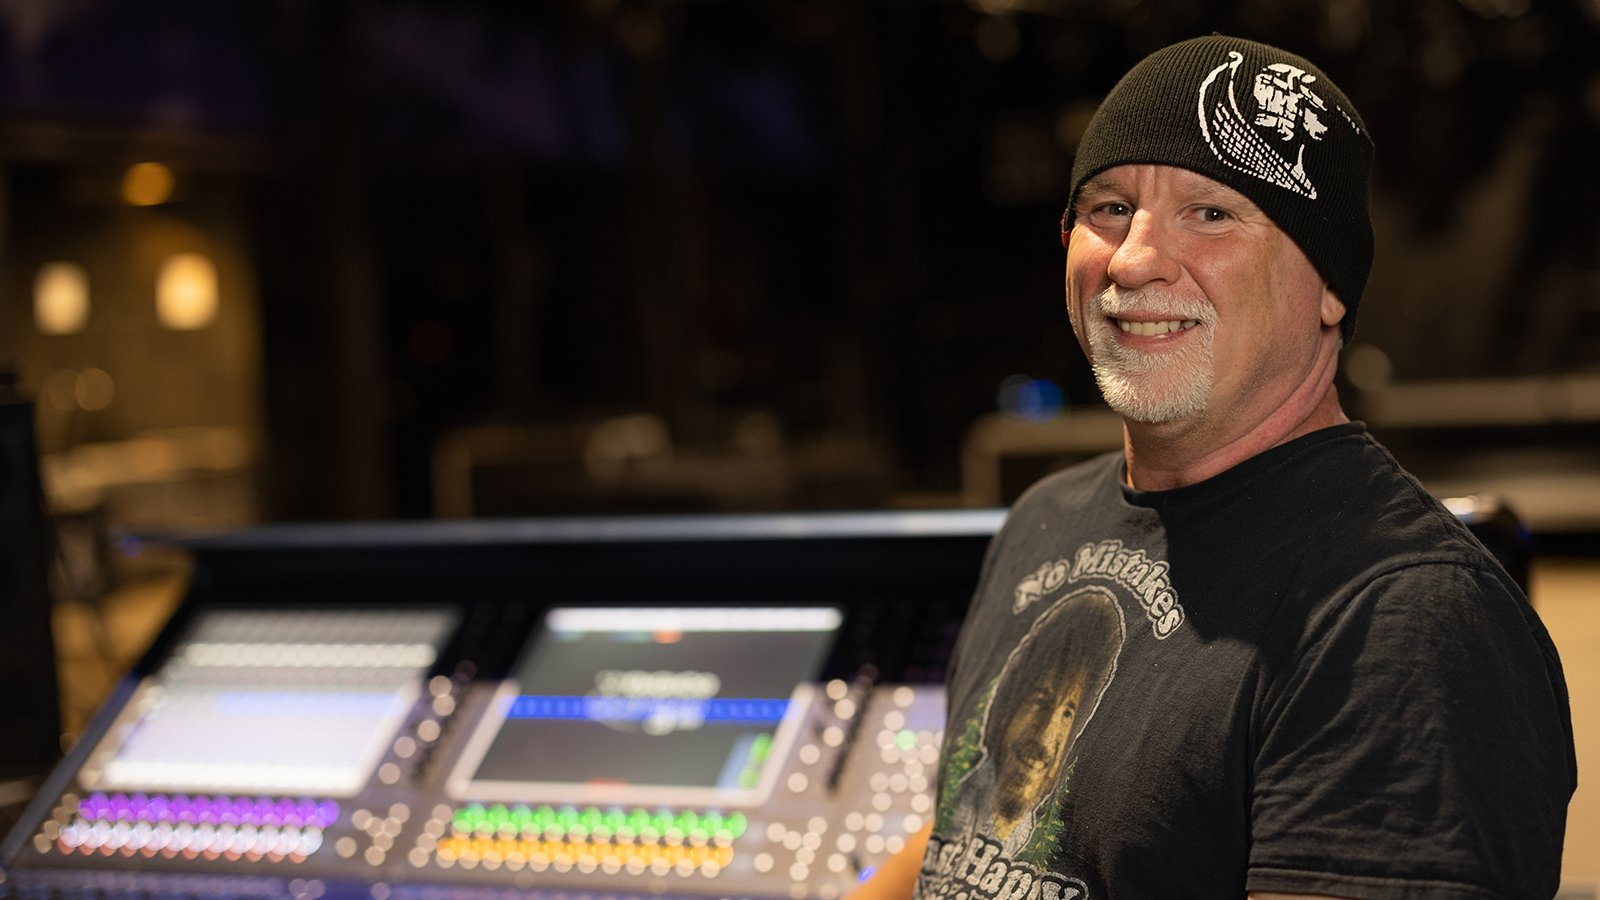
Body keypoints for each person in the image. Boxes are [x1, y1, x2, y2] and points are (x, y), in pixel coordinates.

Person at [856, 34, 1577, 899]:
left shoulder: (1405, 619)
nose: (1133, 259)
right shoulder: (1047, 517)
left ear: (1330, 286)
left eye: (1212, 214)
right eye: (1110, 207)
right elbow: (972, 838)